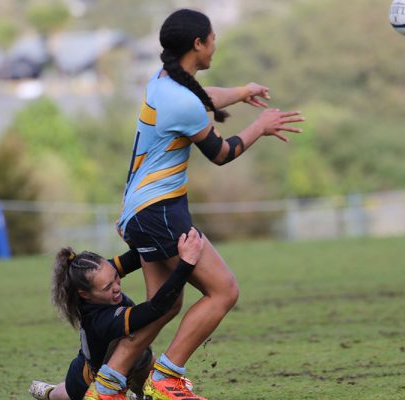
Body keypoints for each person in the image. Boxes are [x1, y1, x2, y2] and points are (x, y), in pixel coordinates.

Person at [84, 8, 305, 400]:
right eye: (213, 37)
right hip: (160, 212)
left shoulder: (162, 82)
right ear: (198, 44)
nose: (215, 43)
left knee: (162, 306)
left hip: (142, 209)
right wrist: (261, 126)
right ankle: (167, 378)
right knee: (224, 291)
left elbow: (199, 98)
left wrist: (241, 92)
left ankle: (106, 386)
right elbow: (222, 152)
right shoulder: (180, 100)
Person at [28, 228, 204, 400]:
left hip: (138, 358)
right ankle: (49, 392)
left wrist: (135, 237)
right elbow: (156, 308)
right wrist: (186, 264)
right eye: (107, 287)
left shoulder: (101, 274)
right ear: (84, 294)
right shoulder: (99, 320)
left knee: (148, 382)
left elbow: (137, 257)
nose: (116, 287)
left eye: (116, 277)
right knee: (66, 394)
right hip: (91, 377)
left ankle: (138, 392)